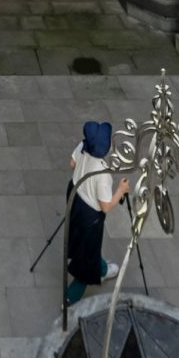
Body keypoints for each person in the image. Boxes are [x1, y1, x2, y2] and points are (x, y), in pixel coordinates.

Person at [65, 120, 129, 306]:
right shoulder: (102, 174)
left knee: (84, 244)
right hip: (90, 215)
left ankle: (101, 268)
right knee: (87, 256)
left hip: (74, 197)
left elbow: (72, 163)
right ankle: (70, 298)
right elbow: (106, 206)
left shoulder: (82, 146)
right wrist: (121, 190)